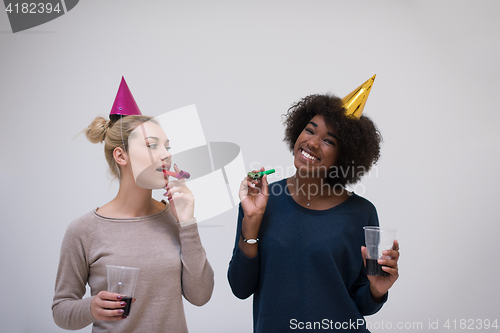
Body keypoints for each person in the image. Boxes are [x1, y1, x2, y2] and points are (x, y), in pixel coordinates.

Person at [227, 88, 400, 332]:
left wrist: (376, 290)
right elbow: (240, 288)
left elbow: (362, 304)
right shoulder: (261, 201)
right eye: (310, 130)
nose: (312, 142)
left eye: (329, 140)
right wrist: (251, 221)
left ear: (344, 156)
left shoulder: (362, 213)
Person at [52, 78, 214, 332]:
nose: (166, 154)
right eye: (152, 145)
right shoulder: (83, 231)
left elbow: (200, 296)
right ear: (121, 155)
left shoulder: (175, 219)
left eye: (167, 146)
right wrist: (91, 307)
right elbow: (61, 311)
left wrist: (187, 222)